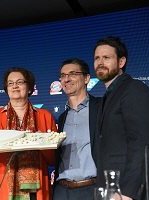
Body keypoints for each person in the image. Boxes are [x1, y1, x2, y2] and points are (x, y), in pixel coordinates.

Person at [94, 36, 149, 200]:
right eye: (97, 58)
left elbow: (140, 144)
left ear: (121, 62)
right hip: (110, 187)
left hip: (126, 191)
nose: (100, 62)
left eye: (106, 57)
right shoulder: (108, 96)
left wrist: (128, 192)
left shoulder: (134, 89)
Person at [0, 67, 57, 200]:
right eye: (10, 83)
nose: (15, 86)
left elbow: (52, 160)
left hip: (35, 190)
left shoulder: (44, 116)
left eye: (20, 82)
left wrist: (41, 141)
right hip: (2, 187)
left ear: (30, 88)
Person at [53, 58, 101, 200]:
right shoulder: (62, 118)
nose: (66, 79)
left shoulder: (102, 108)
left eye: (73, 74)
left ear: (86, 78)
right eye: (63, 75)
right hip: (62, 191)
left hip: (93, 190)